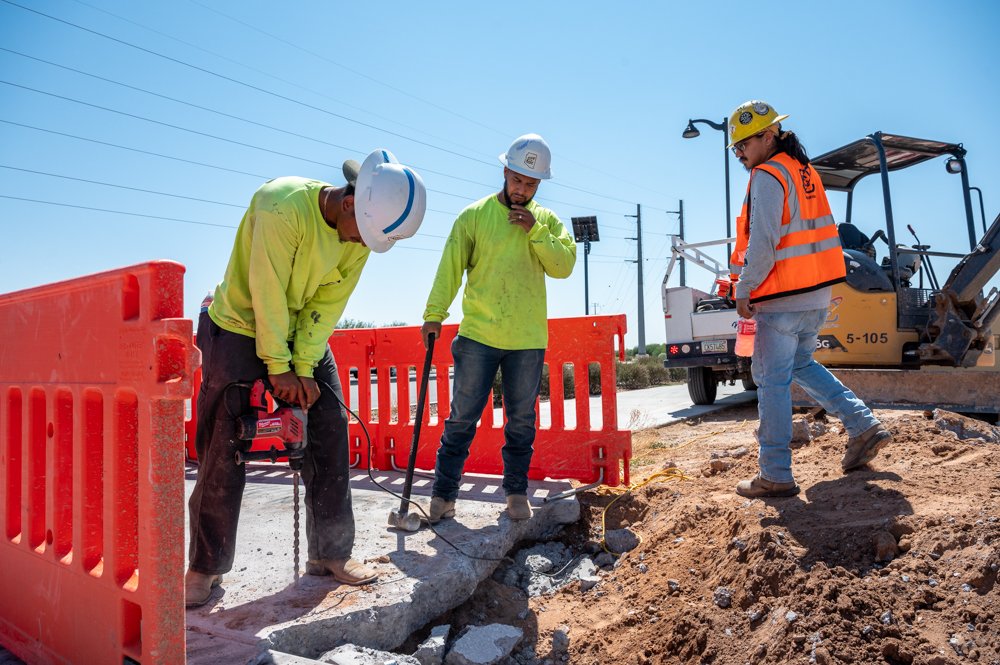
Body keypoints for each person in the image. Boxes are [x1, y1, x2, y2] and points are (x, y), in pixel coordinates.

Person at [185, 149, 427, 607]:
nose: (362, 245)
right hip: (239, 324)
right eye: (364, 235)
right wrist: (279, 368)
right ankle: (204, 567)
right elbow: (268, 290)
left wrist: (304, 365)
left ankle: (330, 554)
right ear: (350, 202)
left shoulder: (362, 236)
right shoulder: (281, 205)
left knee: (330, 430)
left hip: (300, 334)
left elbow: (327, 306)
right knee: (223, 446)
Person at [727, 101, 892, 499]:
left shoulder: (768, 176)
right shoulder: (804, 172)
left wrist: (744, 288)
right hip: (817, 294)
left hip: (782, 296)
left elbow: (764, 244)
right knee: (800, 364)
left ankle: (775, 473)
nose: (740, 155)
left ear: (769, 136)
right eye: (735, 150)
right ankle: (861, 423)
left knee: (770, 383)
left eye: (744, 146)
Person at [421, 134, 576, 522]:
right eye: (518, 180)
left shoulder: (548, 221)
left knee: (521, 421)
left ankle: (515, 494)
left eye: (531, 184)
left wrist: (534, 230)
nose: (522, 190)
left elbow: (564, 267)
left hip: (526, 341)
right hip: (478, 337)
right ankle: (443, 497)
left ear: (539, 185)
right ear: (505, 172)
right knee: (461, 418)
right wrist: (434, 313)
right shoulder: (473, 216)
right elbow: (450, 268)